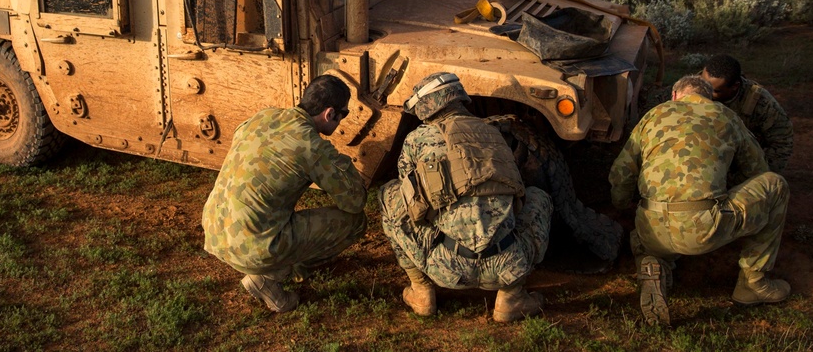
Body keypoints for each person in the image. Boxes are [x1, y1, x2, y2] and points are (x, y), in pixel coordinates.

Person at [609, 75, 790, 326]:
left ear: (674, 96)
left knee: (648, 229)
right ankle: (753, 283)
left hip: (651, 228)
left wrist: (621, 204)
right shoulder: (725, 115)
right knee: (775, 185)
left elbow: (621, 173)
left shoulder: (653, 115)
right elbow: (757, 170)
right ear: (708, 97)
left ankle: (652, 262)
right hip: (703, 229)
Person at [378, 72, 553, 322]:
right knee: (539, 197)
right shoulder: (494, 133)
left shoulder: (417, 139)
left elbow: (409, 191)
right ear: (459, 99)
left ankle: (421, 290)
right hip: (507, 265)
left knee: (390, 193)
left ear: (427, 106)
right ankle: (511, 296)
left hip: (445, 267)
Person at [201, 74, 367, 313]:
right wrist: (344, 166)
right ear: (330, 113)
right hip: (250, 248)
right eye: (344, 114)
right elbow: (354, 201)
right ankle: (271, 276)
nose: (342, 121)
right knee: (355, 222)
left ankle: (275, 265)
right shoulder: (310, 145)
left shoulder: (263, 116)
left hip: (214, 231)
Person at [701, 54, 793, 173]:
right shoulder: (688, 89)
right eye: (702, 83)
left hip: (740, 163)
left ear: (735, 86)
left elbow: (782, 142)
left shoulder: (762, 104)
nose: (705, 92)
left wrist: (760, 175)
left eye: (715, 91)